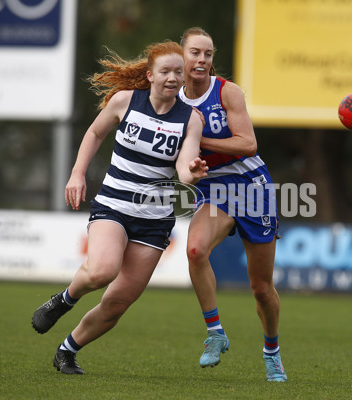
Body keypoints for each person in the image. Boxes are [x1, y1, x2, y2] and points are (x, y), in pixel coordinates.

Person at [31, 41, 208, 374]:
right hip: (114, 205)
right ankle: (64, 300)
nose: (173, 78)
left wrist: (193, 174)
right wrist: (77, 174)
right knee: (102, 271)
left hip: (154, 220)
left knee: (117, 304)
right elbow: (95, 132)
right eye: (165, 71)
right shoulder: (125, 101)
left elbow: (184, 168)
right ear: (150, 75)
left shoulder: (191, 119)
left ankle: (67, 351)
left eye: (178, 72)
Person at [177, 27, 287, 382]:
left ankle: (272, 351)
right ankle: (215, 332)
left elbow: (248, 144)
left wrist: (196, 138)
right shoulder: (172, 100)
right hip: (214, 190)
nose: (202, 60)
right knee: (195, 250)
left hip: (251, 187)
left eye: (208, 54)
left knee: (261, 288)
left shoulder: (227, 91)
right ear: (182, 56)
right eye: (195, 52)